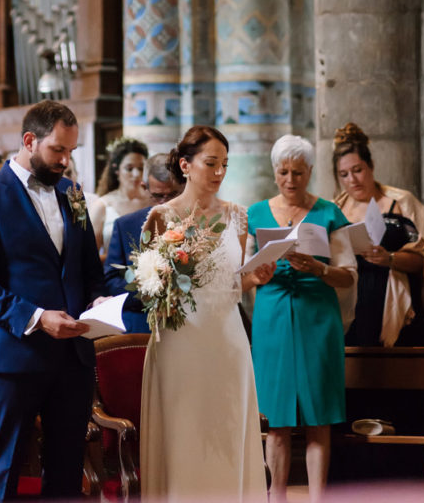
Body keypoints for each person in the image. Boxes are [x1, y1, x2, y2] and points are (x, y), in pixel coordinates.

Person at [0, 100, 105, 502]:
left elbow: (89, 269)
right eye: (58, 150)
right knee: (4, 470)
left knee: (66, 471)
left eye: (71, 152)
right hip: (14, 356)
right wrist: (38, 318)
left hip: (72, 356)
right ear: (29, 140)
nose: (65, 161)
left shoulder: (72, 193)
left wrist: (98, 300)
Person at [140, 125, 274, 502]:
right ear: (185, 165)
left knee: (228, 435)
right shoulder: (161, 217)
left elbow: (232, 285)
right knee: (185, 436)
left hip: (228, 341)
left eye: (224, 165)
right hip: (180, 342)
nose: (218, 173)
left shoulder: (238, 216)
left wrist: (255, 277)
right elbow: (149, 288)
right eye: (210, 163)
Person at [247, 134, 356, 503]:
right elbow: (243, 275)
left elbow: (349, 274)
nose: (290, 180)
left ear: (310, 171)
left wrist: (318, 268)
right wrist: (256, 275)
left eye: (298, 172)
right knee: (275, 420)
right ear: (274, 172)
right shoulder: (256, 213)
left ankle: (316, 499)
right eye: (283, 172)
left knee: (318, 418)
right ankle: (275, 498)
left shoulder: (327, 212)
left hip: (317, 318)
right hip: (272, 317)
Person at [333, 121, 424, 347]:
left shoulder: (402, 203)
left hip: (395, 303)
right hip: (349, 306)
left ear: (371, 166)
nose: (352, 180)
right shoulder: (334, 210)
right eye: (344, 174)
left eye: (357, 170)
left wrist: (389, 259)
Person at [104, 153, 183, 332]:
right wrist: (145, 290)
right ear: (144, 187)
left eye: (172, 195)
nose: (165, 203)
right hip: (141, 321)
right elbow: (110, 281)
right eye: (158, 196)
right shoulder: (126, 225)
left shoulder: (194, 224)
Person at [96, 136, 151, 254]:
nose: (136, 174)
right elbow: (91, 256)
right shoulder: (103, 206)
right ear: (117, 169)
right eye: (129, 168)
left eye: (140, 168)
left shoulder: (153, 201)